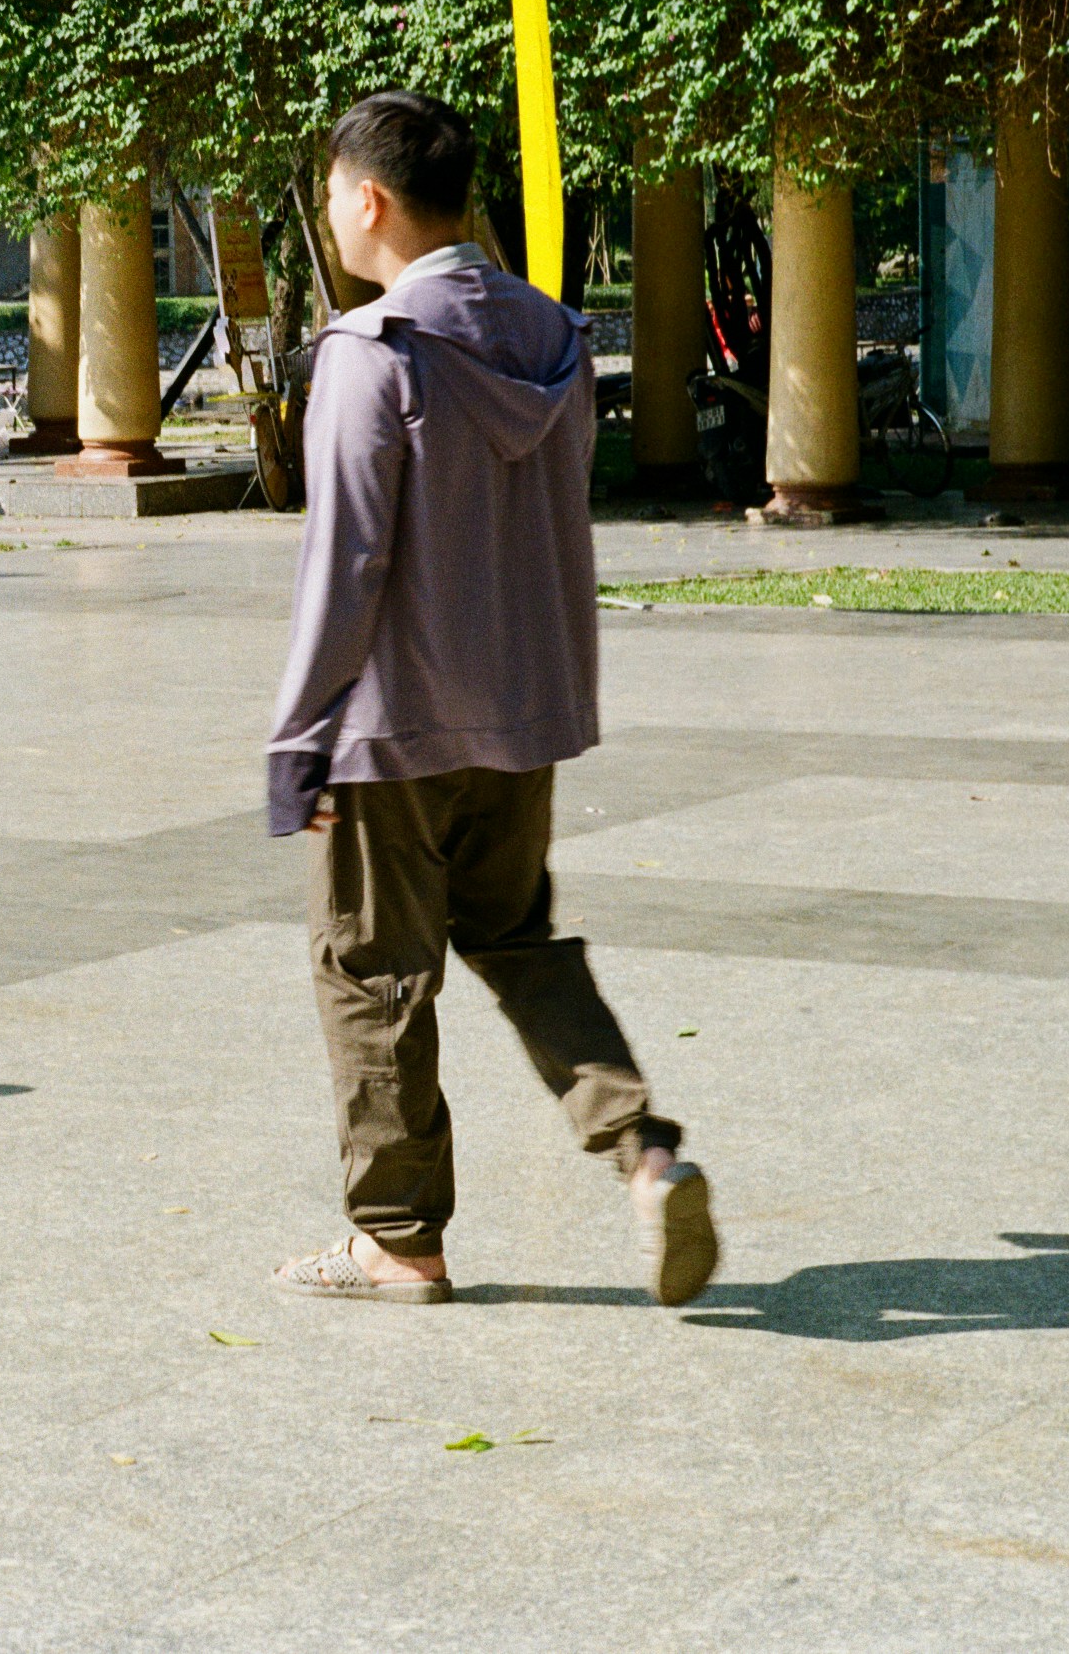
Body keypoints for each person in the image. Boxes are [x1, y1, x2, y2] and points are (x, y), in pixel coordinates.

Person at [263, 90, 718, 1308]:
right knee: (518, 941)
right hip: (527, 710)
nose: (326, 211)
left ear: (368, 199)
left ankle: (396, 1237)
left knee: (369, 973)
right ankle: (644, 1151)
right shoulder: (554, 340)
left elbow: (345, 562)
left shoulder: (374, 357)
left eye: (329, 191)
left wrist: (297, 737)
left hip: (393, 725)